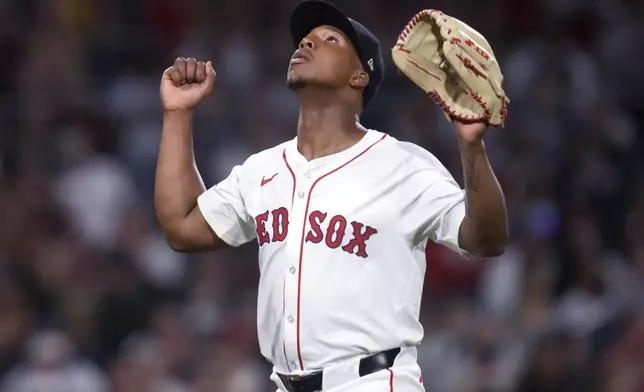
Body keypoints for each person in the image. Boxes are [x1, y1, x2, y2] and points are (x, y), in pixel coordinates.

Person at [154, 1, 508, 391]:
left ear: (360, 76)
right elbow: (182, 227)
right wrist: (177, 115)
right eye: (305, 38)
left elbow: (484, 239)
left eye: (329, 39)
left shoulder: (401, 163)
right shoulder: (262, 169)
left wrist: (472, 147)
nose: (306, 43)